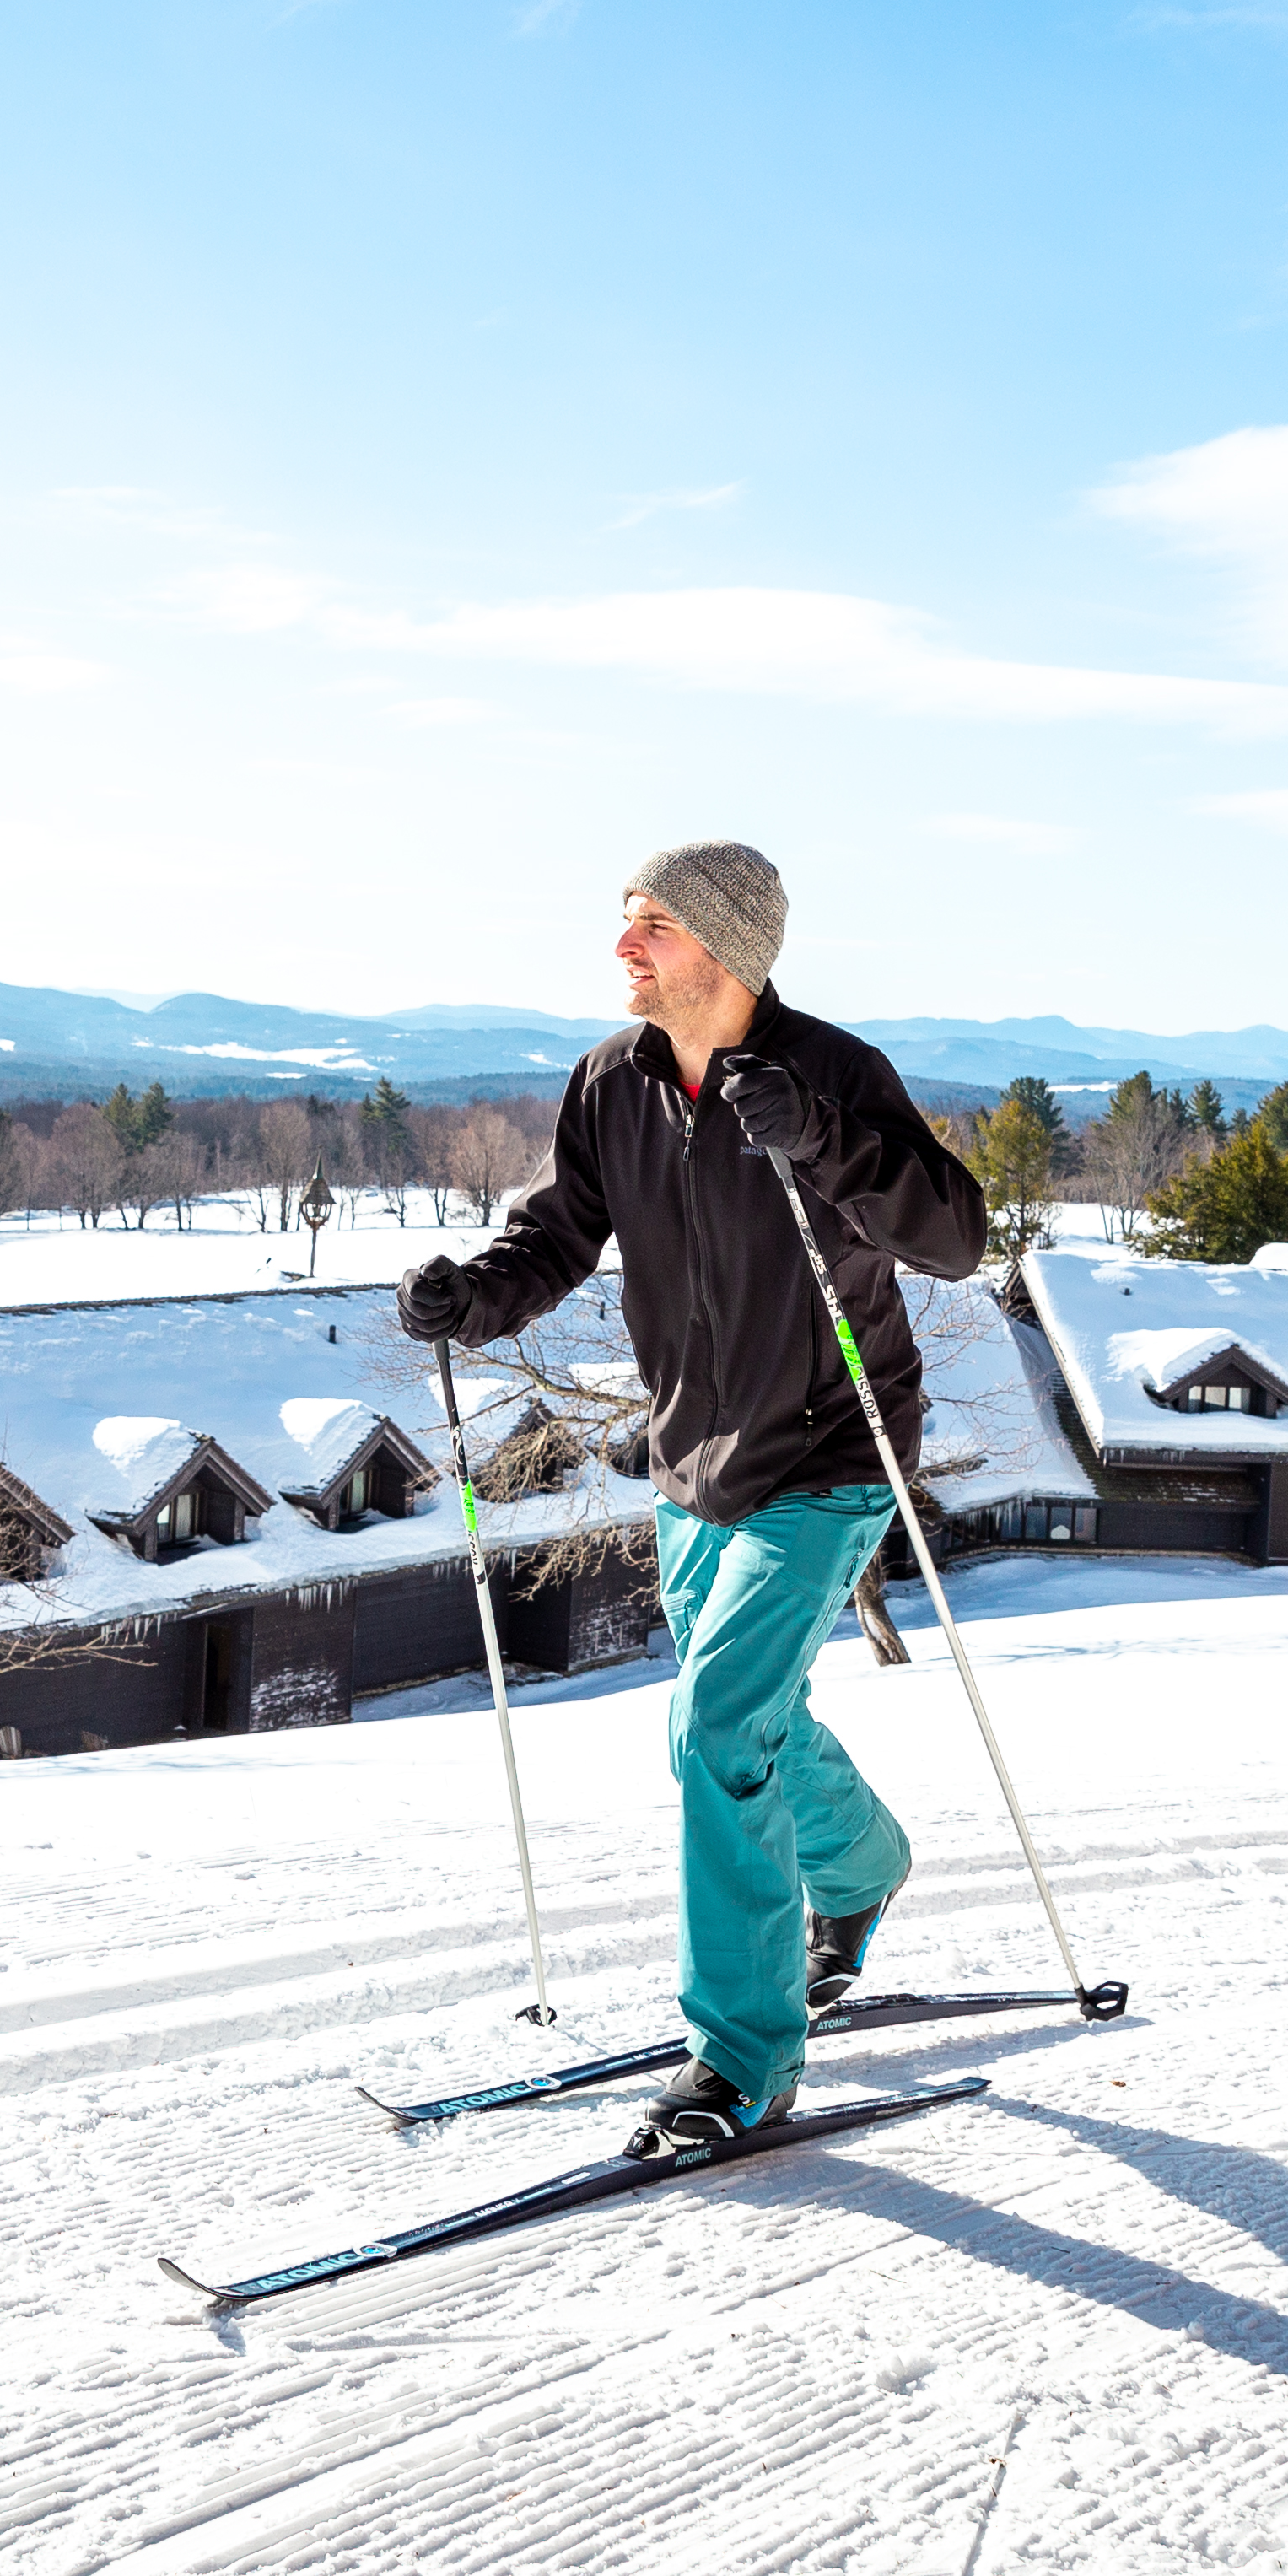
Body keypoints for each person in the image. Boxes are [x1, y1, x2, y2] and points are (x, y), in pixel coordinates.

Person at [398, 840, 986, 2157]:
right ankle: (862, 1867)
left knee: (714, 1722)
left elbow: (957, 1237)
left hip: (833, 1450)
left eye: (650, 925)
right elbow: (558, 1234)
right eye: (627, 922)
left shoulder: (828, 1075)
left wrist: (818, 1136)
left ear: (722, 947)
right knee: (747, 1716)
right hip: (692, 1456)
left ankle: (743, 2059)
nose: (623, 948)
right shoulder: (612, 1081)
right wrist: (474, 1300)